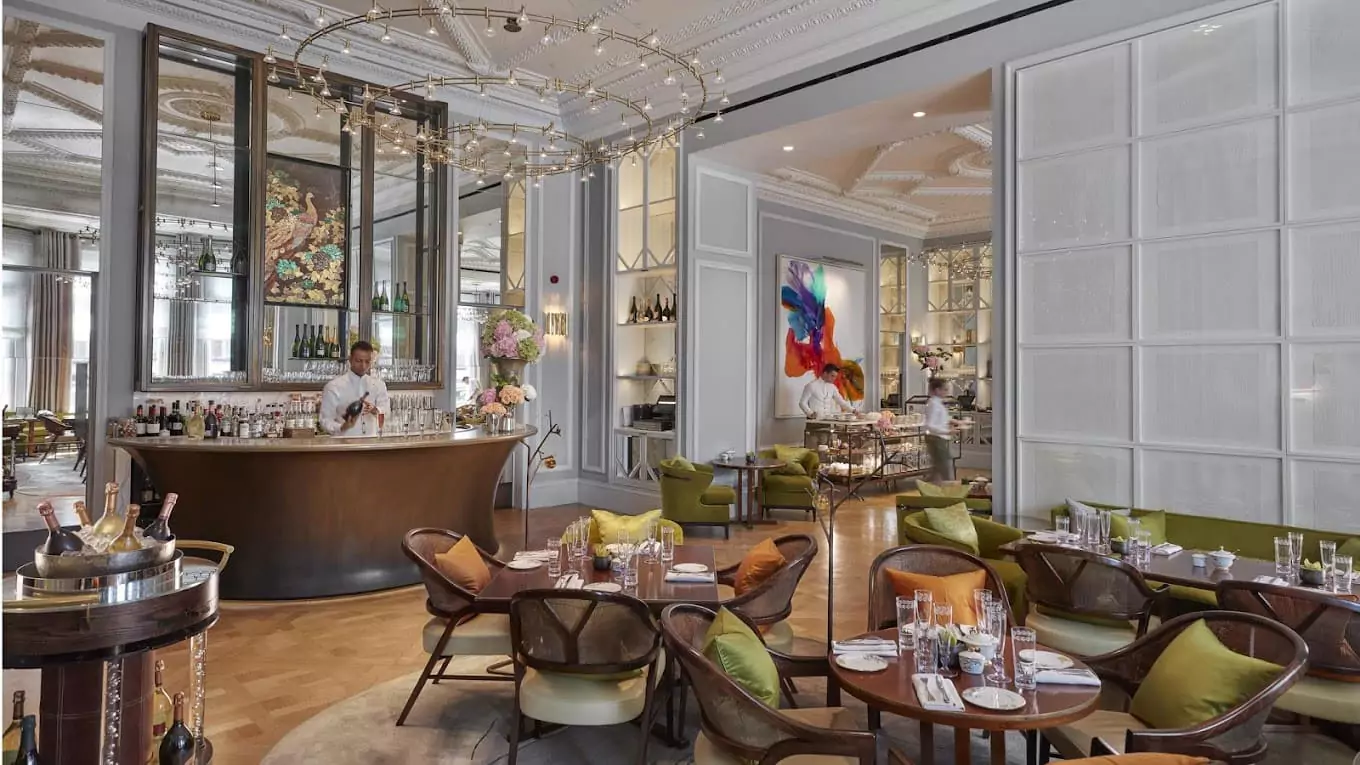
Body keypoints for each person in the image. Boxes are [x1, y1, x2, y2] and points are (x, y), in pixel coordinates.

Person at [320, 341, 390, 437]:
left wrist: (376, 410)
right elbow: (325, 420)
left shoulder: (379, 385)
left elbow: (387, 412)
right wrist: (342, 427)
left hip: (372, 444)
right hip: (343, 446)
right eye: (359, 361)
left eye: (367, 361)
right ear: (350, 359)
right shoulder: (333, 387)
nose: (363, 366)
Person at [923, 376, 956, 483]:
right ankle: (948, 492)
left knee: (938, 468)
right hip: (936, 439)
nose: (947, 392)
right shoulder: (933, 404)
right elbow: (930, 425)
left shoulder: (937, 403)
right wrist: (947, 431)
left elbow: (940, 419)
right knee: (944, 468)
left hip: (938, 438)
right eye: (945, 389)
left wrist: (953, 421)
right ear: (937, 390)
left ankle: (929, 489)